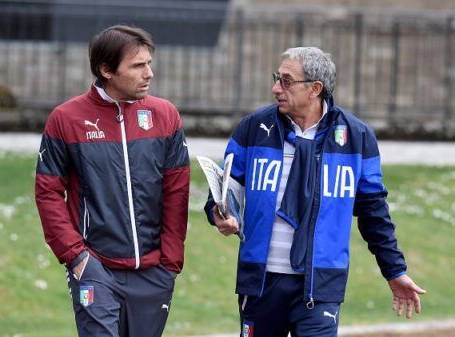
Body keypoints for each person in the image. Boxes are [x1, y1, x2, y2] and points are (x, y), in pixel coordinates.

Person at [204, 47, 426, 337]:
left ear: (315, 88)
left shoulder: (357, 137)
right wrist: (219, 213)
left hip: (320, 284)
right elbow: (223, 189)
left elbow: (374, 213)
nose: (275, 88)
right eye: (276, 78)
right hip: (260, 281)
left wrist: (394, 271)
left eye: (286, 81)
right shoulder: (253, 128)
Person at [35, 25, 190, 337]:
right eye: (137, 66)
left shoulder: (166, 115)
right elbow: (48, 191)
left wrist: (170, 262)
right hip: (95, 269)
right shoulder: (66, 119)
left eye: (149, 63)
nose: (149, 73)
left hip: (154, 273)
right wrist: (77, 257)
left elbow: (177, 190)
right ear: (106, 69)